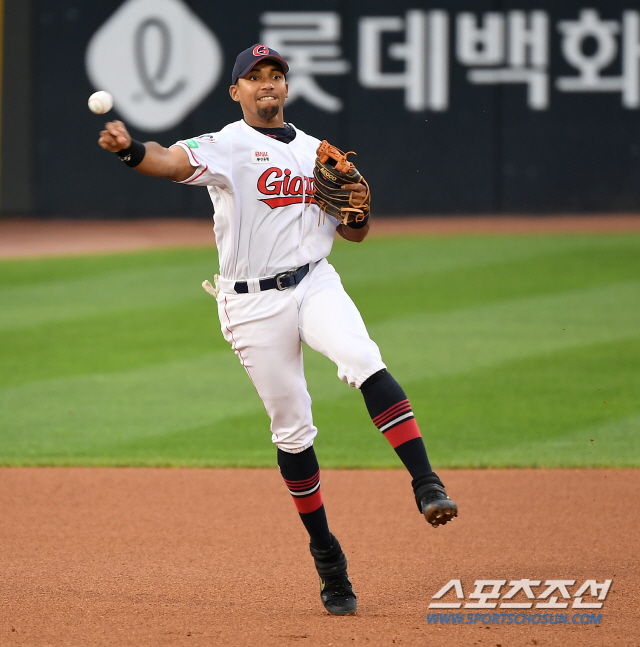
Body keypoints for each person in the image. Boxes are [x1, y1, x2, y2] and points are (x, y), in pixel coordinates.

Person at [98, 44, 458, 617]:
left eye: (275, 76)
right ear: (236, 91)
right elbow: (167, 161)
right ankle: (327, 555)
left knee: (362, 357)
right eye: (254, 77)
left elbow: (354, 234)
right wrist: (129, 150)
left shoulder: (318, 152)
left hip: (315, 282)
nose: (266, 83)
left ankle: (426, 483)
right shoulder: (227, 145)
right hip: (251, 305)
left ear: (286, 88)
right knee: (292, 429)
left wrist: (360, 213)